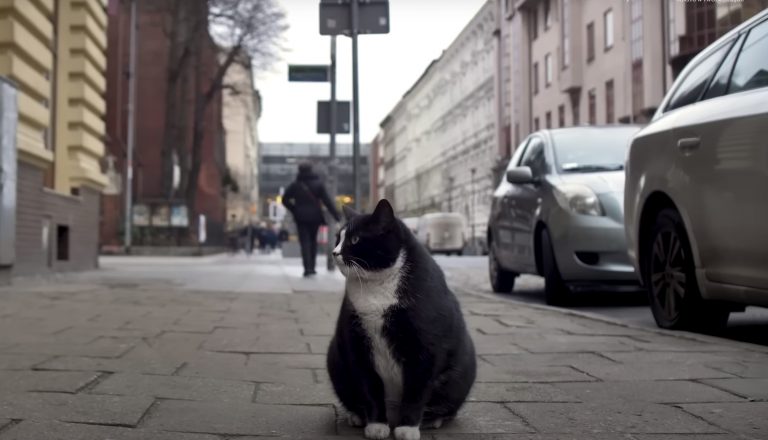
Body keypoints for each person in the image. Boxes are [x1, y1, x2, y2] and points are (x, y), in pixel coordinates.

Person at [282, 163, 341, 276]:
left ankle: (307, 268)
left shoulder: (295, 185)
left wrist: (294, 209)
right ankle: (312, 267)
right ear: (311, 170)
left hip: (301, 218)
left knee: (305, 242)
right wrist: (336, 215)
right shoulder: (318, 184)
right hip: (315, 217)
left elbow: (285, 199)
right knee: (313, 241)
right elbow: (327, 201)